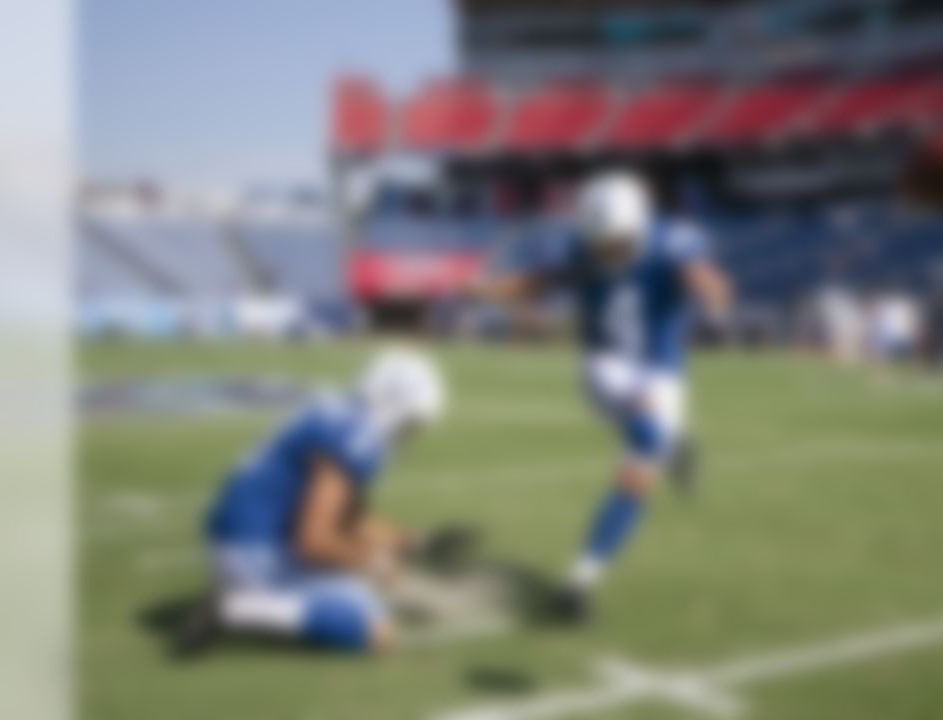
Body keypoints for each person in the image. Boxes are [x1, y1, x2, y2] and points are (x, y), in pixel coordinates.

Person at [470, 170, 732, 623]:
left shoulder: (671, 241)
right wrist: (488, 290)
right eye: (599, 244)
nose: (605, 252)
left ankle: (578, 584)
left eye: (614, 243)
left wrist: (713, 297)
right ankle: (669, 445)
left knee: (636, 480)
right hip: (606, 366)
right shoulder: (581, 247)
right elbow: (538, 282)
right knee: (651, 437)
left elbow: (704, 276)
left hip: (662, 371)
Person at [174, 348, 455, 656]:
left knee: (358, 580)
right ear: (394, 405)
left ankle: (244, 593)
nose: (409, 433)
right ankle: (236, 609)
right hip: (255, 550)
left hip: (238, 540)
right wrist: (374, 563)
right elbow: (313, 540)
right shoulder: (356, 435)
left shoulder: (342, 411)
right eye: (410, 421)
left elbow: (349, 517)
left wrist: (410, 542)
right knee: (377, 631)